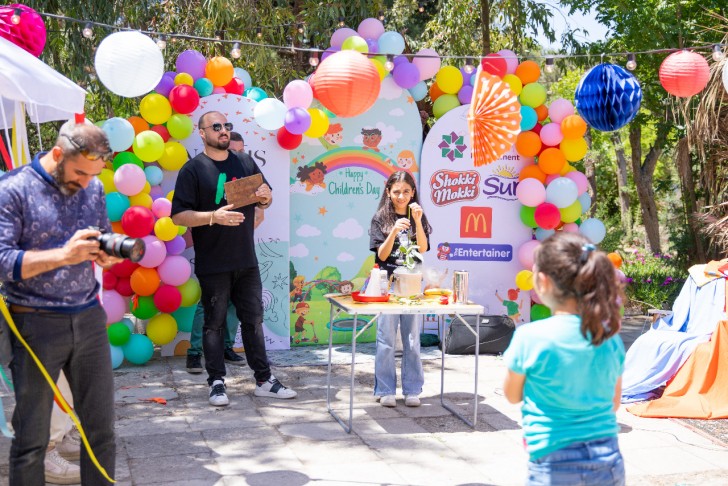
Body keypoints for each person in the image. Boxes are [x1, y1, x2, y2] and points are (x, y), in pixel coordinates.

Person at [0, 121, 119, 485]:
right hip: (35, 323)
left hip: (88, 318)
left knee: (101, 431)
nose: (86, 183)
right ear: (57, 154)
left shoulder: (93, 187)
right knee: (32, 438)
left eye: (94, 175)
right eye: (80, 173)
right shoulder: (13, 189)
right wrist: (64, 256)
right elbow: (3, 261)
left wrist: (106, 253)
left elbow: (102, 234)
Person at [171, 111, 296, 406]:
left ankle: (264, 380)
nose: (223, 130)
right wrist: (213, 217)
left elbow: (266, 198)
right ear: (202, 133)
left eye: (227, 125)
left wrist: (265, 197)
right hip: (213, 262)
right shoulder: (192, 170)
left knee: (253, 321)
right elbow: (178, 216)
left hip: (246, 260)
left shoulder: (244, 161)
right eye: (216, 126)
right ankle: (216, 382)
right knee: (214, 324)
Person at [502, 232, 625, 486]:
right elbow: (613, 402)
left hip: (553, 462)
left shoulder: (530, 337)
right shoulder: (609, 336)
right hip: (608, 459)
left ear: (543, 282)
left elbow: (512, 395)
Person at [185, 131, 261, 374]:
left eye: (240, 150)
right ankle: (195, 353)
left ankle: (228, 347)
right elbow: (184, 214)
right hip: (214, 256)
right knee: (208, 308)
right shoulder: (202, 172)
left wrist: (261, 204)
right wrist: (215, 219)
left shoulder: (246, 173)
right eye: (233, 150)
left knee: (236, 306)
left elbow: (260, 208)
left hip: (241, 255)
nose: (236, 154)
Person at [368, 171, 432, 408]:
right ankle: (385, 390)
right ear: (388, 192)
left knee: (412, 340)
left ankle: (412, 389)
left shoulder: (418, 215)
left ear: (413, 192)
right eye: (396, 192)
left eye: (406, 191)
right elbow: (382, 255)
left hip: (411, 285)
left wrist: (417, 221)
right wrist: (394, 230)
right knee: (386, 340)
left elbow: (422, 249)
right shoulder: (380, 218)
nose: (401, 196)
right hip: (387, 285)